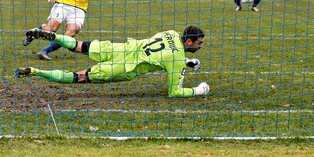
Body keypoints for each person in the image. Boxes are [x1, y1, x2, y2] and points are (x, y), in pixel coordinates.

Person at [15, 26, 210, 98]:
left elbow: (168, 52)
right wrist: (200, 89)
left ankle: (52, 36)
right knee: (79, 77)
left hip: (122, 48)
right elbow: (174, 92)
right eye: (198, 44)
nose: (200, 46)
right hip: (125, 67)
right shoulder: (175, 59)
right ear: (190, 41)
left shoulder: (170, 33)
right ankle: (36, 71)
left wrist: (187, 61)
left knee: (79, 45)